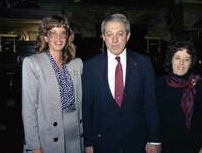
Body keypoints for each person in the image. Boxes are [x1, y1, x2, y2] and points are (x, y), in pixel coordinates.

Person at [82, 13, 162, 153]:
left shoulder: (143, 63)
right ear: (103, 37)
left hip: (138, 141)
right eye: (109, 34)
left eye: (120, 34)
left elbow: (151, 103)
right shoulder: (90, 67)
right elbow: (87, 108)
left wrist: (154, 139)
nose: (114, 40)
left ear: (128, 36)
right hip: (103, 142)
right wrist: (88, 143)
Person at [22, 15, 84, 153]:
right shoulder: (33, 63)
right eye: (53, 32)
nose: (59, 37)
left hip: (75, 137)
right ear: (45, 37)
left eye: (63, 33)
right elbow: (29, 110)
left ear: (68, 37)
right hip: (48, 138)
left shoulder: (77, 64)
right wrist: (34, 146)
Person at [156, 40, 202, 153]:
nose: (181, 63)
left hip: (193, 145)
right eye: (177, 58)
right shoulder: (159, 83)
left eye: (186, 59)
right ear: (171, 59)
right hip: (165, 146)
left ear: (191, 62)